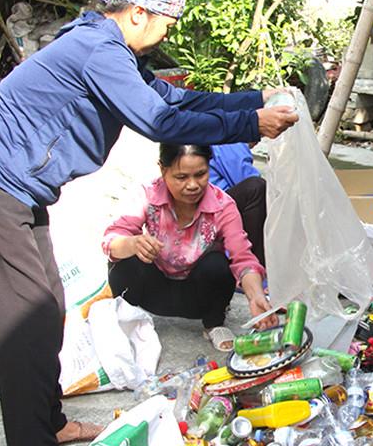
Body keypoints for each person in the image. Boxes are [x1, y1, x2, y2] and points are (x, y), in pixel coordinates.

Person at [0, 0, 297, 446]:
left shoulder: (113, 51)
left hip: (17, 186)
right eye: (167, 21)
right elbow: (160, 122)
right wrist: (252, 127)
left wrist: (252, 103)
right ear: (137, 12)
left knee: (48, 304)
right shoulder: (98, 49)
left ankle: (48, 422)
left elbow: (178, 102)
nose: (168, 32)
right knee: (24, 316)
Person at [104, 144, 276, 350]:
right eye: (181, 177)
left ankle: (213, 324)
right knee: (125, 258)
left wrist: (256, 295)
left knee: (218, 264)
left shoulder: (223, 206)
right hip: (151, 292)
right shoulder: (147, 195)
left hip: (195, 298)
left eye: (200, 174)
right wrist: (132, 243)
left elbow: (243, 259)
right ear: (163, 170)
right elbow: (111, 239)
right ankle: (129, 319)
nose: (193, 185)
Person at [209, 142, 267, 264]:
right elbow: (245, 178)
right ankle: (257, 265)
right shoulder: (230, 142)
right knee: (256, 189)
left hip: (210, 204)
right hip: (212, 208)